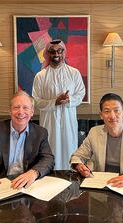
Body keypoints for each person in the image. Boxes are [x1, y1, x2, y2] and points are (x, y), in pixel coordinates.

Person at [0, 90, 54, 190]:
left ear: (32, 112)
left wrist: (33, 173)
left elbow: (48, 159)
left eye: (25, 108)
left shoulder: (40, 133)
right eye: (16, 107)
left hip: (26, 187)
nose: (21, 112)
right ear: (9, 111)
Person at [32, 39, 85, 170]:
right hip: (49, 122)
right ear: (47, 54)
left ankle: (70, 177)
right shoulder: (40, 76)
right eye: (52, 51)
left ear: (64, 52)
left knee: (69, 148)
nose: (56, 54)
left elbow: (80, 93)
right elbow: (36, 100)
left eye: (59, 51)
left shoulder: (74, 73)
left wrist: (69, 100)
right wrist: (54, 102)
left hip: (68, 121)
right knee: (50, 148)